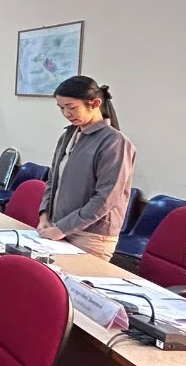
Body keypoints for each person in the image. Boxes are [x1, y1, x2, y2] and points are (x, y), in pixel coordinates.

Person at [38, 76, 136, 260]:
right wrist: (44, 216)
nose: (66, 113)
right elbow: (53, 179)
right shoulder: (68, 135)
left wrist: (62, 228)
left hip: (91, 236)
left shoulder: (114, 142)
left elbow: (106, 198)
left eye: (72, 107)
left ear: (95, 103)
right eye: (61, 108)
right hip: (57, 226)